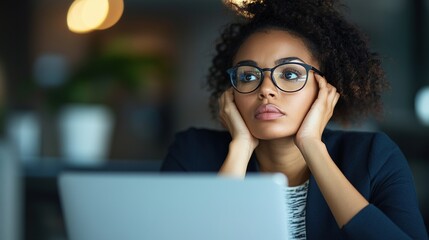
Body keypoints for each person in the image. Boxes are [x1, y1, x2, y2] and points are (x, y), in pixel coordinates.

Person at [161, 0, 429, 239]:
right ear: (231, 93)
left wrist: (312, 146)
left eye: (289, 74)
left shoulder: (374, 156)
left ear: (326, 88)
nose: (265, 89)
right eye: (248, 76)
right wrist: (240, 149)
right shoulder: (192, 151)